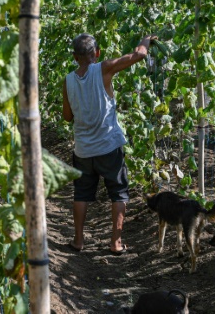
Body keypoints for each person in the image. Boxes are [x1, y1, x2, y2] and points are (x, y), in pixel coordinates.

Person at [62, 33, 156, 254]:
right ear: (97, 53)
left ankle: (78, 241)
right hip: (109, 147)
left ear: (75, 57)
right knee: (118, 192)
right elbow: (139, 55)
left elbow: (67, 117)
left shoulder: (67, 81)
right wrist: (146, 40)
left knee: (81, 194)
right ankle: (115, 243)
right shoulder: (104, 68)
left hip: (83, 150)